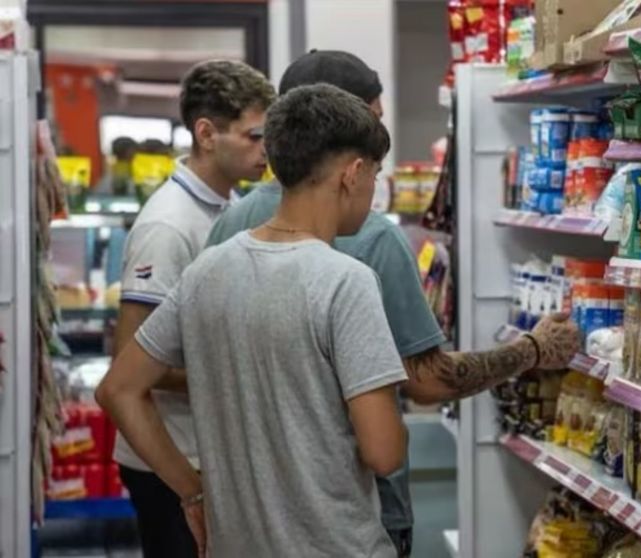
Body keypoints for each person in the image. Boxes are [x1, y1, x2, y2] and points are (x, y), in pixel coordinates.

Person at [206, 51, 582, 556]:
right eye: (373, 123)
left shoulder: (230, 226)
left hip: (245, 512)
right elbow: (426, 382)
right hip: (353, 514)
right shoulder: (370, 239)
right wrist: (530, 351)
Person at [98, 84, 408, 557]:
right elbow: (384, 452)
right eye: (376, 174)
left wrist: (191, 490)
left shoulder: (207, 270)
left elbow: (118, 389)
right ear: (354, 173)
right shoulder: (347, 281)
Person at [112, 59, 275, 558]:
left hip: (208, 453)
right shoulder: (169, 226)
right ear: (207, 133)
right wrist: (239, 371)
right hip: (172, 461)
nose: (266, 150)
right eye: (253, 136)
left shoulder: (228, 208)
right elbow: (132, 364)